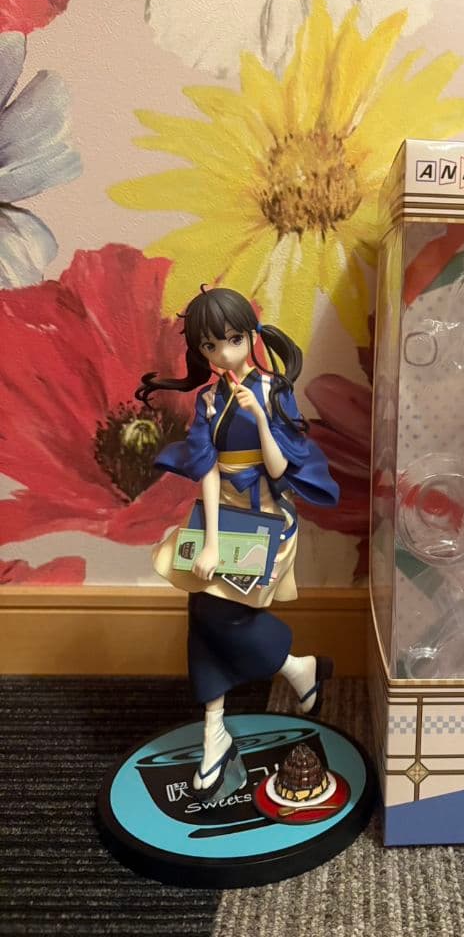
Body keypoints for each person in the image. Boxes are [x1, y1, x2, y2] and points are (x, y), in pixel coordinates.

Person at [137, 286, 339, 803]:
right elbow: (206, 468)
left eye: (232, 339)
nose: (224, 354)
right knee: (202, 607)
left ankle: (294, 667)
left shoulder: (273, 389)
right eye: (211, 346)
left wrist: (262, 417)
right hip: (221, 514)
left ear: (251, 335)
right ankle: (217, 728)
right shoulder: (207, 399)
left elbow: (281, 468)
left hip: (267, 516)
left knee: (220, 614)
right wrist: (210, 540)